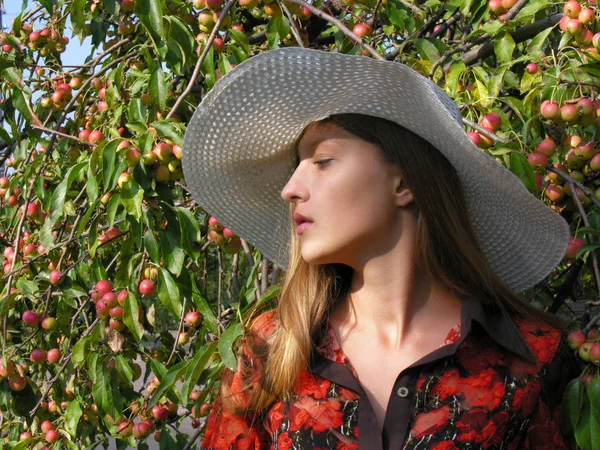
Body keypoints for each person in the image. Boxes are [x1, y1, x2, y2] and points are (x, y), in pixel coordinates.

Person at [181, 47, 580, 449]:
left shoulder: (534, 357)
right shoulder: (271, 349)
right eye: (296, 167)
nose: (290, 189)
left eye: (322, 161)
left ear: (404, 184)